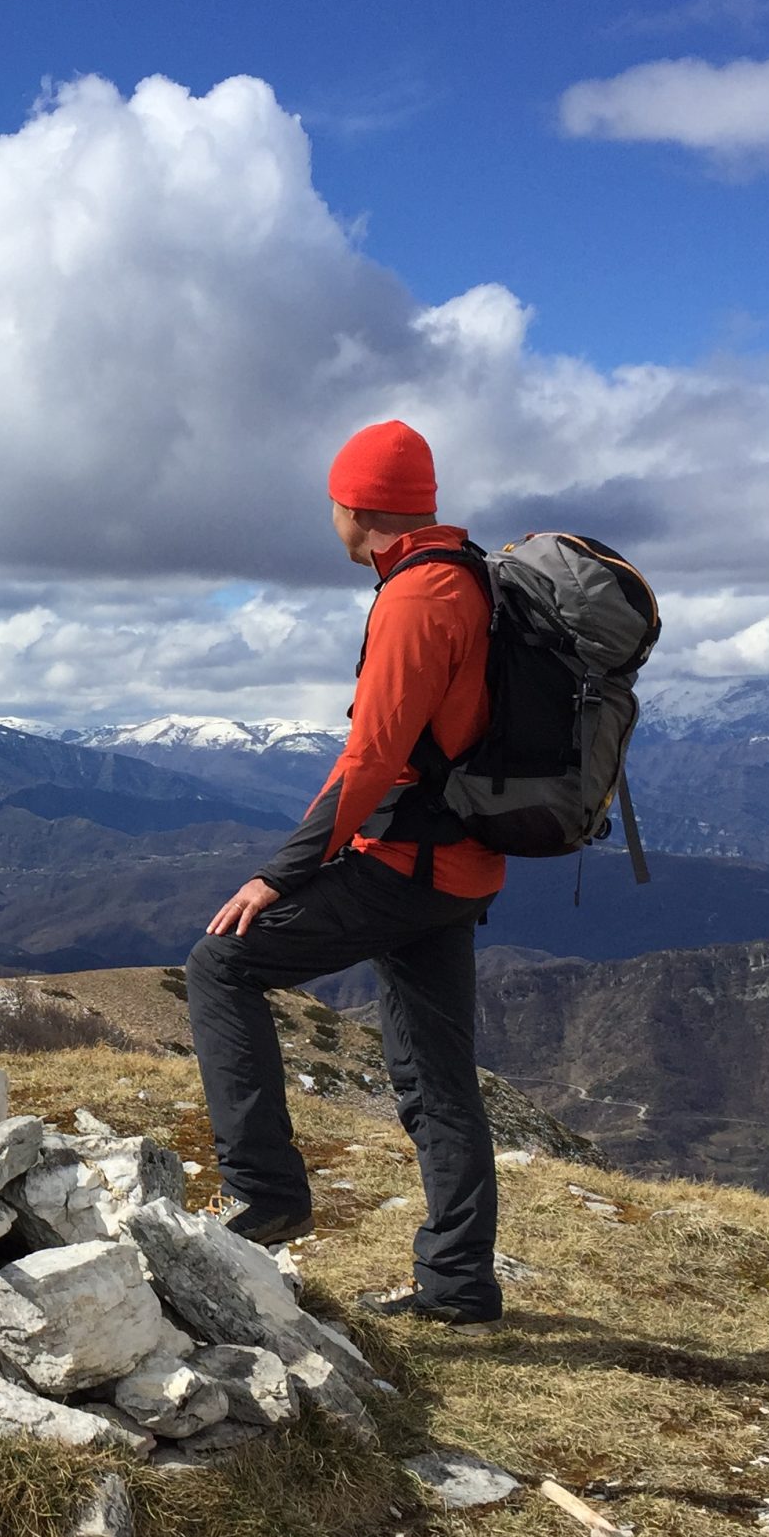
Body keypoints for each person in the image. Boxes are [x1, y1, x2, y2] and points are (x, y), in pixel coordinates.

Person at [185, 418, 505, 1329]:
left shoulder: (415, 598)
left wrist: (278, 876)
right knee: (439, 1080)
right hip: (461, 867)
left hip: (405, 866)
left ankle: (266, 1189)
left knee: (221, 964)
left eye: (333, 501)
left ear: (356, 508)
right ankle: (459, 1287)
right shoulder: (470, 576)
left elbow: (369, 762)